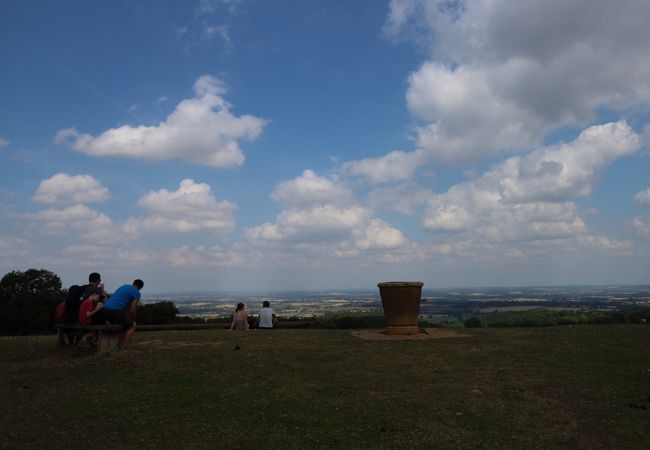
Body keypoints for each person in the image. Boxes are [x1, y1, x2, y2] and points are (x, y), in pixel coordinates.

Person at [101, 279, 144, 351]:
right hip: (115, 310)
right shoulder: (136, 292)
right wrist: (132, 319)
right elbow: (133, 308)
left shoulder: (124, 286)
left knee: (124, 325)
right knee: (132, 326)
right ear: (140, 288)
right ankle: (122, 349)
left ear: (133, 283)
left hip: (104, 309)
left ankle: (118, 346)